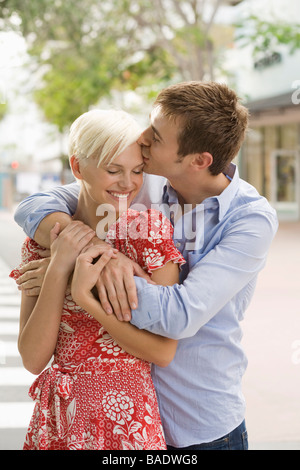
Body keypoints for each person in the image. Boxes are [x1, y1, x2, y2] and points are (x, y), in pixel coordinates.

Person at [14, 81, 278, 451]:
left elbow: (181, 315)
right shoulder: (144, 181)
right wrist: (83, 251)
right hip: (113, 419)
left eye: (155, 136)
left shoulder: (249, 221)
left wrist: (80, 273)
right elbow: (36, 205)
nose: (143, 139)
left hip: (199, 424)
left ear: (198, 161)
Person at [9, 109, 185, 450]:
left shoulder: (149, 234)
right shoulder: (42, 243)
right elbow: (32, 360)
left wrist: (86, 297)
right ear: (77, 167)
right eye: (113, 170)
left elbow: (163, 352)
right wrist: (60, 266)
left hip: (129, 422)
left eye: (137, 171)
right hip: (60, 422)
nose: (128, 183)